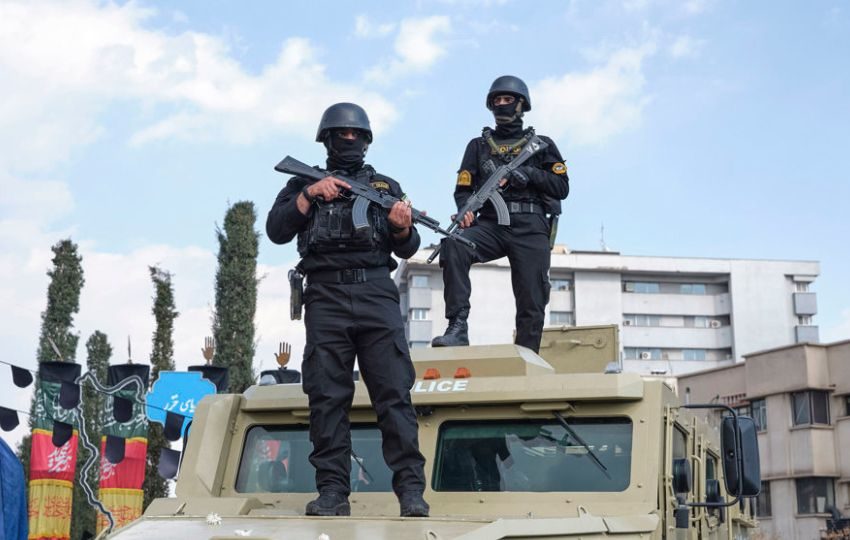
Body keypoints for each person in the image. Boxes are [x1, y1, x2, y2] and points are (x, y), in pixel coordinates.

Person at [266, 103, 429, 517]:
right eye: (342, 134)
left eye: (356, 135)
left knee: (393, 394)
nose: (350, 140)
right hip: (325, 296)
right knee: (326, 397)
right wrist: (309, 194)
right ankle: (333, 492)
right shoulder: (302, 182)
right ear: (327, 139)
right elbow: (276, 230)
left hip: (376, 293)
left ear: (367, 141)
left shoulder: (385, 185)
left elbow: (408, 247)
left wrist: (402, 226)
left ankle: (411, 492)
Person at [431, 75, 570, 353]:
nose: (502, 104)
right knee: (454, 244)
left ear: (521, 105)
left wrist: (528, 174)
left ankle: (527, 355)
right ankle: (457, 327)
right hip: (491, 224)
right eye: (497, 100)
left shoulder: (542, 144)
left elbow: (561, 187)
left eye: (508, 99)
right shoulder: (478, 146)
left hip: (531, 225)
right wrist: (465, 211)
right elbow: (463, 190)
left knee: (532, 297)